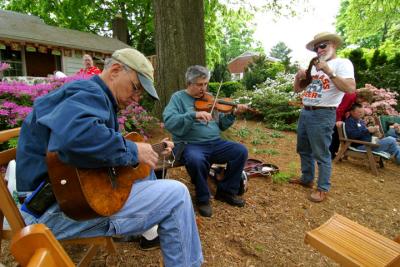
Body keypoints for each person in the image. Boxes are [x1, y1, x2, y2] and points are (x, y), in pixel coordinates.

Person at [16, 48, 203, 266]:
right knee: (177, 195)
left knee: (145, 172)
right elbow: (74, 139)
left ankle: (143, 231)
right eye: (135, 88)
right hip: (50, 212)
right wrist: (133, 150)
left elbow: (81, 149)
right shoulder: (90, 93)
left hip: (61, 199)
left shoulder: (89, 94)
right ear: (115, 70)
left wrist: (144, 152)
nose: (135, 98)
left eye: (140, 94)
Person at [163, 65, 248, 217]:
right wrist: (193, 115)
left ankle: (227, 191)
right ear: (189, 83)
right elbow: (170, 121)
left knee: (240, 151)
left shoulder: (210, 99)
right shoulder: (178, 98)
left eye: (206, 84)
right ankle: (202, 198)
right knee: (195, 159)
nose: (204, 88)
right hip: (191, 144)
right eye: (199, 84)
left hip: (215, 143)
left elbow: (221, 124)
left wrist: (233, 114)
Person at [291, 32, 356, 202]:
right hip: (306, 111)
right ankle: (306, 179)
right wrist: (297, 77)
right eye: (316, 48)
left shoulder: (343, 63)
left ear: (334, 45)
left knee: (321, 153)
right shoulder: (314, 66)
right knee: (303, 149)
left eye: (323, 45)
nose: (319, 50)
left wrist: (330, 72)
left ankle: (322, 188)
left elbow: (350, 88)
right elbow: (297, 90)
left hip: (323, 113)